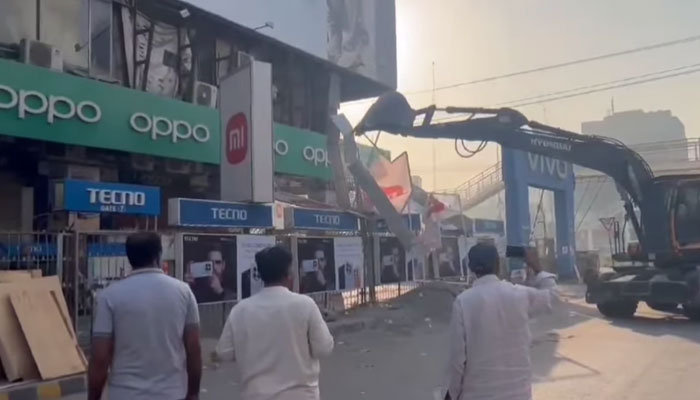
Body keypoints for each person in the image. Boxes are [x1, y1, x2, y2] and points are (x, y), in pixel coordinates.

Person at [88, 232, 201, 400]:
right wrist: (193, 393)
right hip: (172, 393)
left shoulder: (109, 297)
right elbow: (194, 349)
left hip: (125, 394)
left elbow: (100, 358)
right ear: (158, 255)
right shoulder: (183, 292)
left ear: (129, 258)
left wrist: (93, 397)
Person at [214, 246, 334, 400]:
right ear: (289, 272)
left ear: (260, 273)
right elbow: (324, 348)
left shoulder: (240, 310)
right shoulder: (305, 305)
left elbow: (224, 352)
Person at [444, 243, 557, 400]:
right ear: (498, 264)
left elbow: (457, 361)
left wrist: (452, 394)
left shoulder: (463, 302)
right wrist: (537, 268)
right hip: (519, 394)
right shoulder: (519, 295)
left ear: (471, 268)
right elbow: (551, 297)